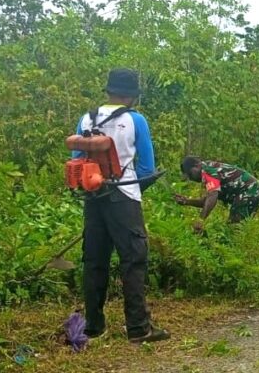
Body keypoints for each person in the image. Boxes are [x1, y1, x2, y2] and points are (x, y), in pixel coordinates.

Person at [73, 68, 169, 343]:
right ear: (131, 96)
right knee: (133, 260)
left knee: (94, 261)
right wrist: (134, 192)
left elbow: (77, 160)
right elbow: (147, 167)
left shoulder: (86, 118)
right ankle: (138, 327)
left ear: (109, 91)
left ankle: (94, 327)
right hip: (124, 197)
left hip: (93, 197)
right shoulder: (136, 120)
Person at [175, 157, 259, 233]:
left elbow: (212, 196)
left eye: (190, 174)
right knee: (241, 229)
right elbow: (207, 200)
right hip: (253, 191)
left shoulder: (207, 172)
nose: (191, 178)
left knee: (233, 229)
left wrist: (201, 220)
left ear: (197, 166)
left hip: (248, 191)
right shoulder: (208, 169)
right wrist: (187, 201)